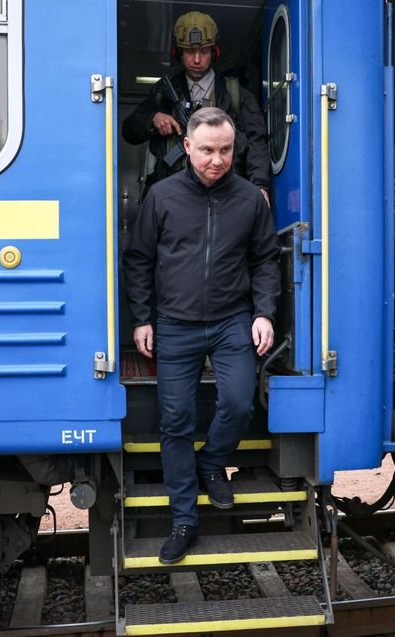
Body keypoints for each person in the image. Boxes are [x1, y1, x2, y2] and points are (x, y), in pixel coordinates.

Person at [124, 106, 280, 564]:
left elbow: (265, 260)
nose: (218, 159)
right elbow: (138, 259)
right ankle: (184, 519)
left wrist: (264, 313)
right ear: (188, 146)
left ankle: (212, 464)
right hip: (174, 323)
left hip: (233, 320)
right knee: (175, 421)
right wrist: (142, 318)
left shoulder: (251, 199)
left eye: (226, 150)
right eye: (208, 150)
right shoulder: (162, 195)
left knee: (236, 402)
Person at [121, 10, 270, 203]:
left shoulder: (235, 94)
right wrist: (153, 119)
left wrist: (259, 186)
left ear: (214, 52)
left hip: (225, 195)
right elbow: (128, 130)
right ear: (178, 53)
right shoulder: (163, 93)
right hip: (174, 197)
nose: (197, 59)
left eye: (204, 51)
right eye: (190, 52)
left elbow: (257, 142)